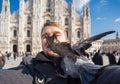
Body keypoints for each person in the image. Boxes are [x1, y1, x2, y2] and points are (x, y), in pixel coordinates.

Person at [0, 22, 80, 84]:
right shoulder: (30, 65)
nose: (51, 39)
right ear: (41, 41)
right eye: (45, 36)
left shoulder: (81, 64)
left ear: (67, 41)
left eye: (56, 34)